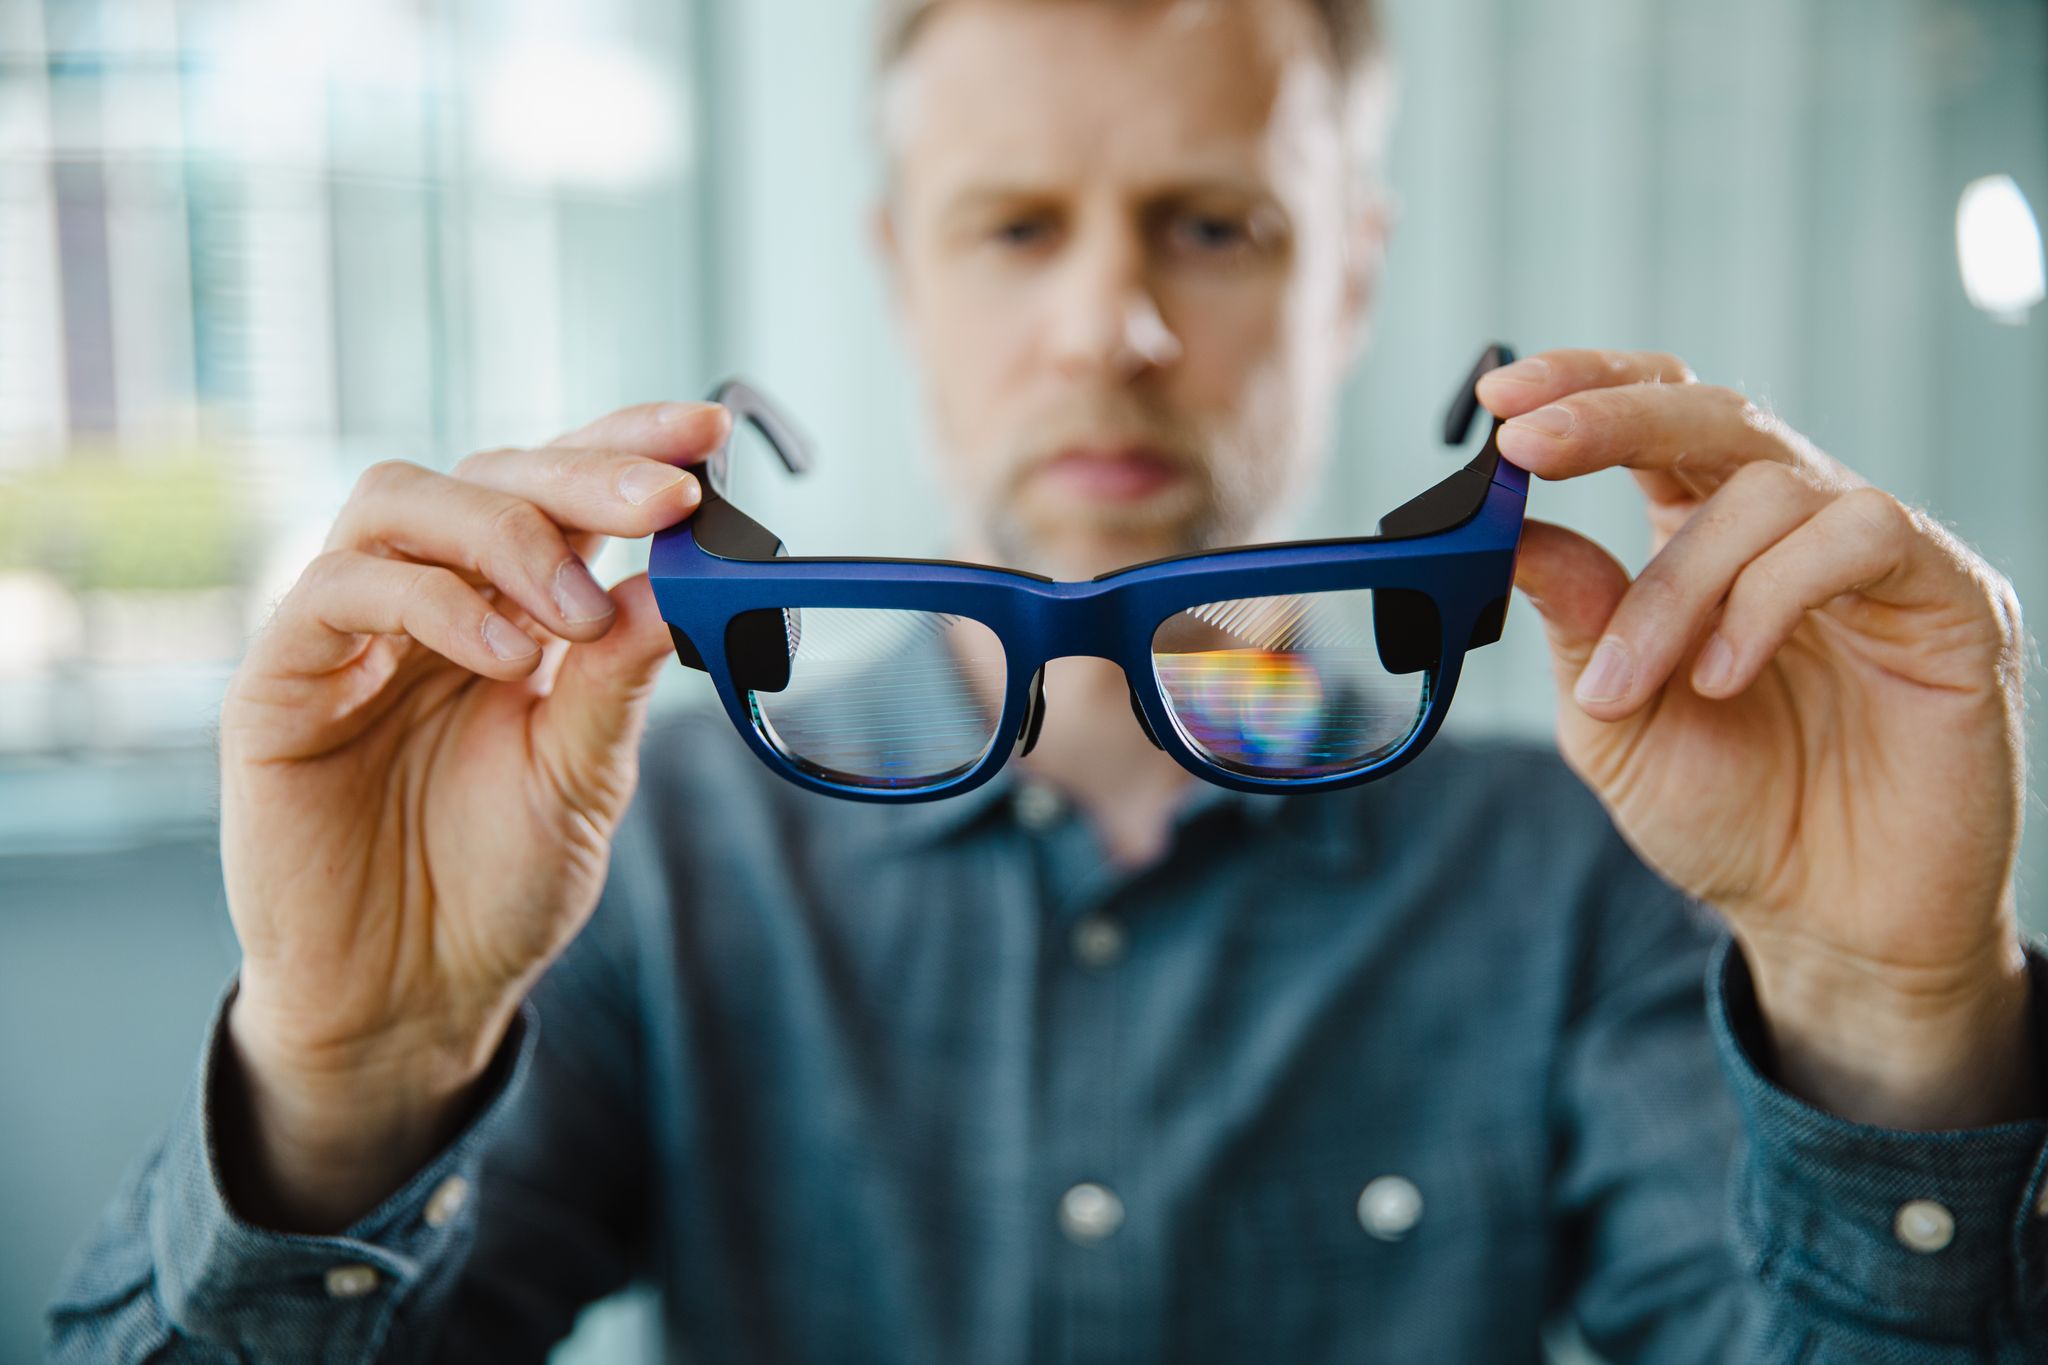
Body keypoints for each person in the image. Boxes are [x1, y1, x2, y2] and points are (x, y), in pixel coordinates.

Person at [47, 1, 2048, 1360]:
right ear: (900, 265)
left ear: (1350, 271)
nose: (1116, 326)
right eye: (1017, 226)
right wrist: (347, 1068)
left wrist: (1895, 1012)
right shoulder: (641, 863)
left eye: (1216, 223)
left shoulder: (1579, 870)